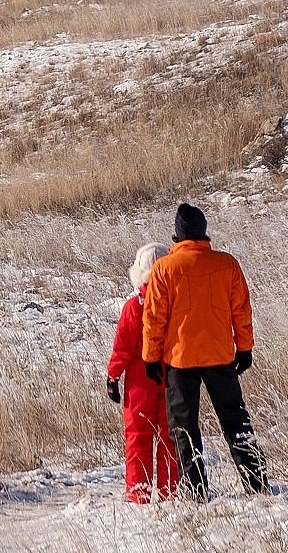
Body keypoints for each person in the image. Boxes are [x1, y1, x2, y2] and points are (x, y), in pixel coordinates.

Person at [139, 203, 269, 498]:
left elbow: (154, 318)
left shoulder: (164, 268)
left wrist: (150, 357)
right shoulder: (227, 264)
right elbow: (241, 311)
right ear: (204, 233)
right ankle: (256, 483)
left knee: (184, 426)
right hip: (220, 355)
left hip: (179, 360)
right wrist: (244, 348)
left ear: (177, 237)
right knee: (236, 420)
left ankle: (196, 490)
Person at [105, 242, 179, 502]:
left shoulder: (133, 307)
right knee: (170, 436)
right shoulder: (176, 304)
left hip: (139, 379)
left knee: (138, 437)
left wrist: (113, 377)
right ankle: (171, 492)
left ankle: (139, 494)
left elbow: (122, 348)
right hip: (171, 375)